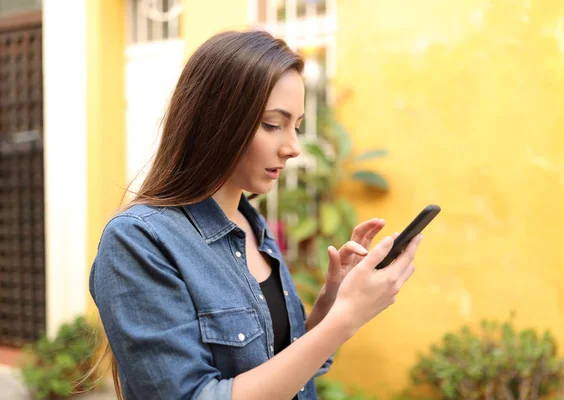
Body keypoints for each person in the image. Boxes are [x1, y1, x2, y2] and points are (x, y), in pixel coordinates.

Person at [88, 29, 423, 400]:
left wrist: (333, 299)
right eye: (272, 124)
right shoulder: (139, 241)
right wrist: (346, 319)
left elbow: (285, 362)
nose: (293, 148)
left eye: (295, 127)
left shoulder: (252, 225)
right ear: (216, 120)